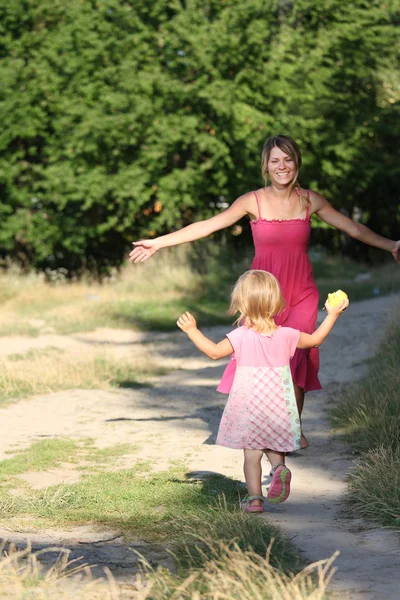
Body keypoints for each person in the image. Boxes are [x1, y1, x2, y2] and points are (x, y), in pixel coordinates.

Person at [130, 134, 400, 448]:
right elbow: (208, 225)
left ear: (296, 162)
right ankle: (256, 427)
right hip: (261, 294)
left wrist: (391, 245)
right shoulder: (252, 201)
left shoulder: (310, 200)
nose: (282, 166)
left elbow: (352, 228)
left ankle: (292, 429)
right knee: (254, 358)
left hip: (301, 292)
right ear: (266, 166)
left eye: (288, 159)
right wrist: (159, 242)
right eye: (275, 161)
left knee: (297, 356)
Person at [176, 270, 349, 512]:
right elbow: (316, 340)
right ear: (277, 303)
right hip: (279, 404)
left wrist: (192, 330)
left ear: (241, 305)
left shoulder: (240, 336)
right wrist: (332, 315)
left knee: (252, 454)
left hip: (250, 405)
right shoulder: (287, 335)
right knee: (275, 446)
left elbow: (214, 352)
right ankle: (278, 469)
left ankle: (255, 500)